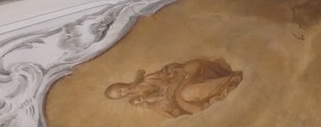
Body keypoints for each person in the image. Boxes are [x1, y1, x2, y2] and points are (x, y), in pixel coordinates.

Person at [103, 59, 244, 118]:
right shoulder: (145, 100)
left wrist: (174, 74)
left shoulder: (146, 80)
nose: (122, 92)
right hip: (179, 93)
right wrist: (155, 98)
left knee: (193, 66)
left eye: (119, 89)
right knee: (187, 94)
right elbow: (168, 108)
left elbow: (166, 72)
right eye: (119, 95)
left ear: (120, 84)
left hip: (181, 79)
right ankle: (229, 81)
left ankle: (225, 79)